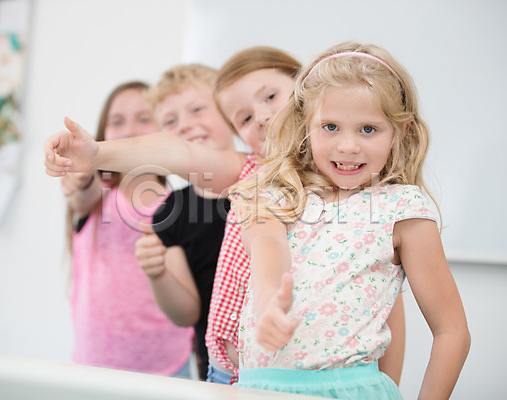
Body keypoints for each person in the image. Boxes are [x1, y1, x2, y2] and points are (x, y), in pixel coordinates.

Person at [42, 46, 406, 384]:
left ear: (305, 96)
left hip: (308, 378)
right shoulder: (249, 171)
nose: (261, 117)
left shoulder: (352, 190)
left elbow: (385, 304)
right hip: (225, 375)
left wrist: (384, 387)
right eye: (244, 117)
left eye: (271, 97)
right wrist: (98, 154)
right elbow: (177, 152)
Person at [229, 41, 471, 399]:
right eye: (330, 127)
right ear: (306, 126)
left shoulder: (403, 209)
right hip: (256, 390)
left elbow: (452, 332)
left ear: (400, 132)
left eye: (368, 129)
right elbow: (268, 247)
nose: (348, 146)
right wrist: (269, 302)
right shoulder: (276, 193)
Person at [62, 81, 194, 377]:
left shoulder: (181, 206)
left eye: (144, 119)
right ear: (103, 134)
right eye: (117, 121)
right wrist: (82, 178)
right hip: (93, 365)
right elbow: (82, 194)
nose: (130, 130)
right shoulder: (97, 194)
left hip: (169, 367)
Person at [134, 64, 236, 381]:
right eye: (170, 121)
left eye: (197, 110)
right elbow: (186, 313)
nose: (186, 125)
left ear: (229, 112)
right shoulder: (171, 213)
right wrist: (157, 273)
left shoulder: (268, 182)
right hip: (219, 369)